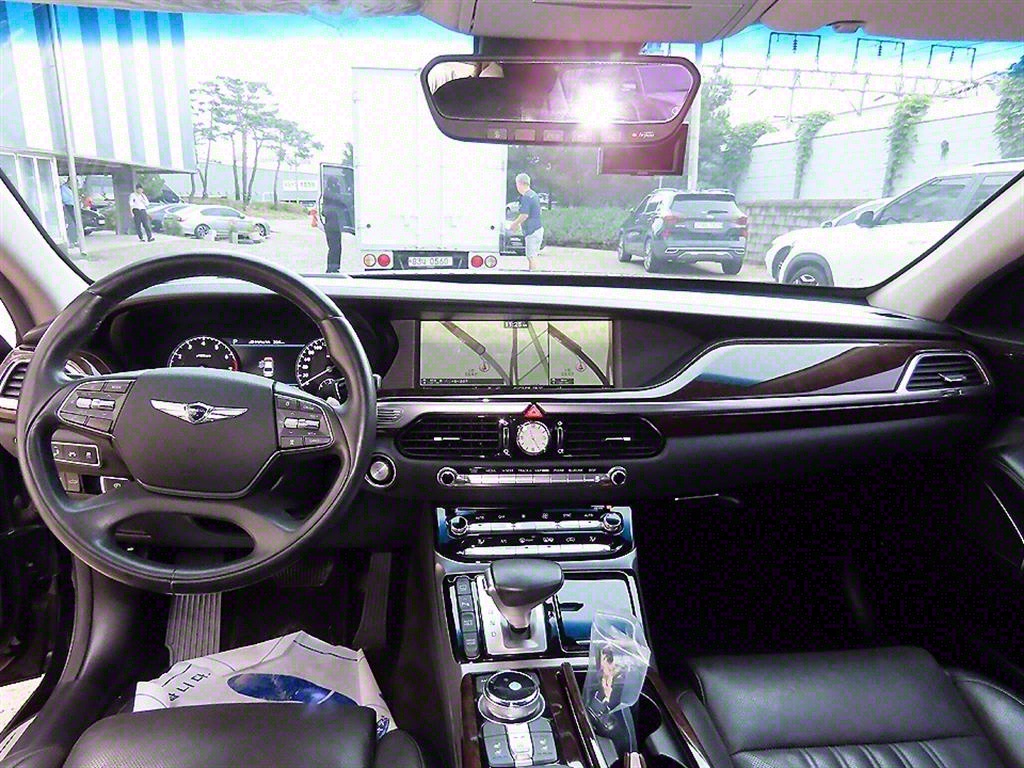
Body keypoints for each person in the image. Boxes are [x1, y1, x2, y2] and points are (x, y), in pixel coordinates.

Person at [509, 172, 543, 271]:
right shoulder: (534, 195)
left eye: (517, 184)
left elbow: (524, 215)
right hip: (537, 229)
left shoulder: (526, 197)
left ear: (520, 183)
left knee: (531, 257)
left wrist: (514, 224)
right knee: (533, 256)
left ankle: (532, 275)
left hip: (532, 231)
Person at [321, 177, 346, 273]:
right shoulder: (330, 195)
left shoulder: (328, 194)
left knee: (335, 247)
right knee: (335, 248)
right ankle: (332, 267)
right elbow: (341, 201)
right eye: (337, 183)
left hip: (333, 225)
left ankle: (334, 267)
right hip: (332, 226)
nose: (338, 185)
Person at [60, 181, 78, 246]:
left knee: (74, 223)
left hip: (72, 206)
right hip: (68, 206)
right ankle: (72, 241)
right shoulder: (63, 188)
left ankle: (74, 240)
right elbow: (65, 199)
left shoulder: (69, 189)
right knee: (71, 223)